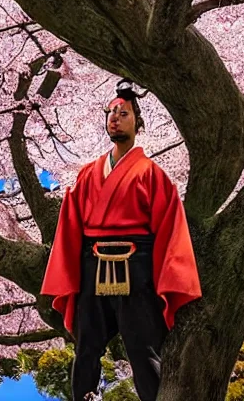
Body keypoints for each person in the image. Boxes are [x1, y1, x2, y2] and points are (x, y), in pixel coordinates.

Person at [41, 79, 202, 401]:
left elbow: (170, 227)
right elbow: (70, 224)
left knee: (143, 349)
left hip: (137, 266)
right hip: (91, 264)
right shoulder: (87, 174)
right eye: (111, 113)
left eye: (124, 113)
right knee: (86, 347)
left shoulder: (152, 173)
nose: (115, 118)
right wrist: (68, 271)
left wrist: (166, 276)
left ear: (137, 123)